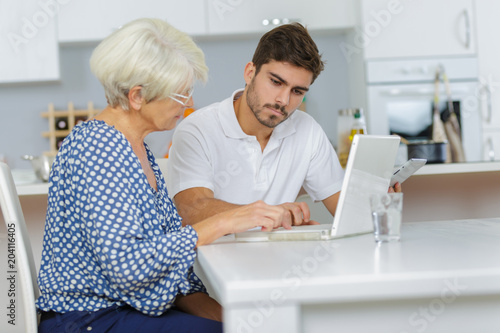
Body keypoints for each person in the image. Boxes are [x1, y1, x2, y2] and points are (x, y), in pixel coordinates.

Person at [36, 18, 291, 333]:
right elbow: (128, 267)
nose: (190, 104)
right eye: (181, 95)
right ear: (138, 96)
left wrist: (233, 317)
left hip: (128, 309)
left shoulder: (136, 148)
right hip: (88, 319)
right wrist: (222, 222)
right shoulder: (95, 149)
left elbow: (171, 270)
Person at [166, 23, 401, 226]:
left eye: (297, 91)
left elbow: (348, 211)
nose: (284, 100)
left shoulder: (307, 130)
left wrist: (378, 202)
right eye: (276, 82)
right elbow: (191, 211)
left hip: (280, 264)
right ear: (250, 73)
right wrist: (265, 214)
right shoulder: (197, 129)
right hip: (214, 270)